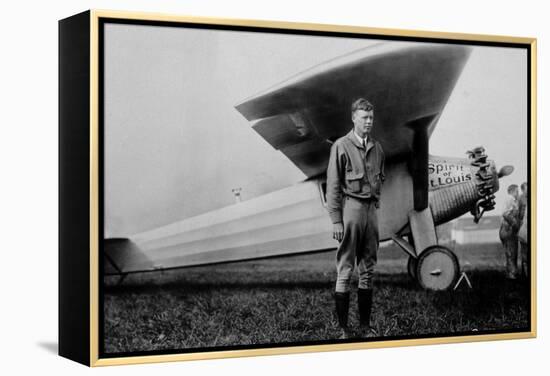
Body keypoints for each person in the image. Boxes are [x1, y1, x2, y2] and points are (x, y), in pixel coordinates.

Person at [326, 98, 385, 339]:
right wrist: (336, 220)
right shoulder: (341, 146)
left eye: (371, 118)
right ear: (354, 118)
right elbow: (333, 185)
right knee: (346, 269)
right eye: (364, 118)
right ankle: (343, 330)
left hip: (371, 211)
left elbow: (380, 180)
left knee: (368, 268)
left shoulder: (378, 148)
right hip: (351, 210)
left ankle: (364, 326)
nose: (369, 122)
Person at [499, 184, 520, 279]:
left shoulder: (507, 199)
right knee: (512, 251)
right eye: (517, 191)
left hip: (504, 228)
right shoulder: (511, 199)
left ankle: (510, 273)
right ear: (512, 191)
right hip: (508, 229)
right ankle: (512, 274)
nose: (518, 193)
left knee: (508, 252)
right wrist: (515, 224)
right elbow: (505, 214)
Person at [517, 182, 529, 278]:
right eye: (526, 189)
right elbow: (518, 212)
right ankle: (525, 273)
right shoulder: (520, 199)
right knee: (524, 253)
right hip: (523, 225)